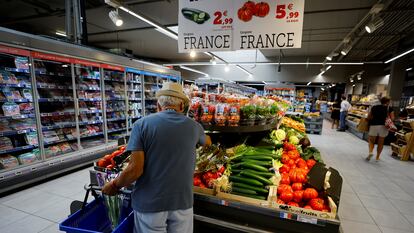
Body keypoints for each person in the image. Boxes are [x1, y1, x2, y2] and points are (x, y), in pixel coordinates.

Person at [102, 82, 212, 233]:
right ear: (181, 106)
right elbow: (208, 143)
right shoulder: (194, 126)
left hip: (150, 205)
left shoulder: (141, 125)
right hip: (182, 202)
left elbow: (135, 170)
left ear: (158, 106)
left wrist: (114, 185)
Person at [366, 97, 394, 161]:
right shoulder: (389, 108)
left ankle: (370, 152)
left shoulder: (374, 107)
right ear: (387, 102)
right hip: (384, 126)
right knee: (381, 142)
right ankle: (377, 157)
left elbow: (369, 117)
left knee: (371, 140)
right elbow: (392, 118)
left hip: (374, 125)